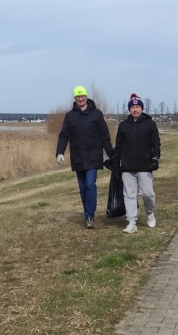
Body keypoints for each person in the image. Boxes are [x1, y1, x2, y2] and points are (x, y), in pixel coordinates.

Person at [56, 85, 114, 229]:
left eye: (82, 96)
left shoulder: (96, 114)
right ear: (75, 99)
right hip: (78, 156)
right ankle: (88, 212)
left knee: (89, 184)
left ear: (86, 97)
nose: (80, 98)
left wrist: (111, 154)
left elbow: (104, 136)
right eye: (77, 96)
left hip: (93, 156)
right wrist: (60, 152)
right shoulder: (70, 116)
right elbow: (64, 135)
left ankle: (89, 216)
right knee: (82, 188)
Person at [113, 93, 161, 234]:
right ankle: (132, 222)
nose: (135, 109)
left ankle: (149, 212)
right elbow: (119, 146)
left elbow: (156, 143)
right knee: (129, 194)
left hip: (144, 165)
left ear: (141, 108)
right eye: (132, 107)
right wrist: (116, 164)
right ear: (129, 109)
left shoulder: (150, 124)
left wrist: (155, 158)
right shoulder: (123, 125)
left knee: (148, 194)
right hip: (127, 166)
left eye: (137, 107)